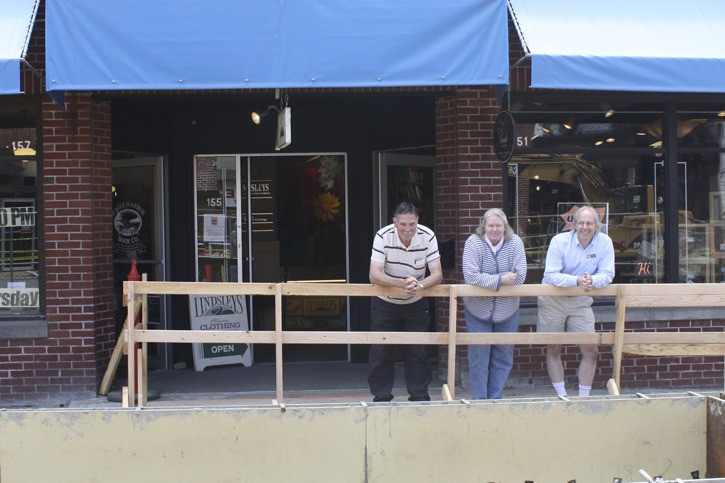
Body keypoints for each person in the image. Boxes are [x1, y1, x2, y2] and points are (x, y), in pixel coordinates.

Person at [368, 201, 443, 402]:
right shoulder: (382, 236)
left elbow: (437, 274)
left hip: (417, 301)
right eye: (403, 224)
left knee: (418, 350)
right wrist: (401, 283)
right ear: (394, 223)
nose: (408, 229)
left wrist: (419, 286)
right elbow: (374, 275)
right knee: (381, 349)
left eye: (412, 224)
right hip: (385, 302)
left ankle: (419, 397)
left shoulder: (428, 236)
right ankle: (381, 398)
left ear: (417, 221)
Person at [538, 205, 615, 397]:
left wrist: (591, 281)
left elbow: (607, 274)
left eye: (589, 223)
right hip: (553, 298)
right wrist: (578, 280)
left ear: (596, 225)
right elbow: (551, 275)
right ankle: (562, 396)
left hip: (581, 299)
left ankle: (583, 399)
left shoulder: (604, 242)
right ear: (574, 224)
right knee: (554, 347)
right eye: (581, 223)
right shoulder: (559, 241)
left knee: (591, 349)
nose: (585, 227)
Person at [462, 208, 527, 399]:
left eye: (499, 225)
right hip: (477, 311)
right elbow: (471, 276)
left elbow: (520, 276)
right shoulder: (473, 242)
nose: (495, 229)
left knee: (504, 358)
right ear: (484, 226)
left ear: (505, 227)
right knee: (478, 359)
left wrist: (491, 280)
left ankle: (495, 399)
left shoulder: (515, 242)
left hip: (508, 311)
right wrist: (501, 279)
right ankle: (481, 402)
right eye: (491, 225)